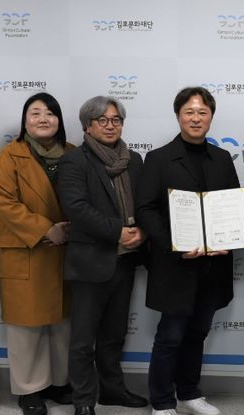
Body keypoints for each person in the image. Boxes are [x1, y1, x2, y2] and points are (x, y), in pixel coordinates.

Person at [137, 86, 239, 415]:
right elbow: (146, 209)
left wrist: (227, 240)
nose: (196, 118)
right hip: (175, 265)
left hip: (213, 267)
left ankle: (190, 393)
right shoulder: (158, 158)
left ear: (211, 116)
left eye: (202, 112)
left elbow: (232, 208)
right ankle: (162, 401)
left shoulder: (222, 158)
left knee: (198, 333)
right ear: (178, 116)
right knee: (170, 335)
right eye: (189, 112)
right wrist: (174, 244)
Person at [58, 96, 147, 415]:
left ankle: (112, 390)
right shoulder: (74, 161)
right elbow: (76, 207)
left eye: (116, 120)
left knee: (114, 334)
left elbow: (144, 204)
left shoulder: (134, 160)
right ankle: (84, 400)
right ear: (87, 126)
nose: (110, 126)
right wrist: (116, 230)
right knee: (83, 340)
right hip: (90, 262)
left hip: (125, 259)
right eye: (102, 120)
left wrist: (142, 231)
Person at [0, 92, 75, 415]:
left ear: (59, 120)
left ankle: (59, 382)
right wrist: (44, 229)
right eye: (35, 113)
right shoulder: (9, 156)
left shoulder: (72, 153)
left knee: (62, 324)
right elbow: (4, 202)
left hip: (65, 250)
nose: (43, 119)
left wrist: (71, 228)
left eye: (50, 113)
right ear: (25, 121)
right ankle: (30, 390)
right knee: (27, 326)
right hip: (28, 250)